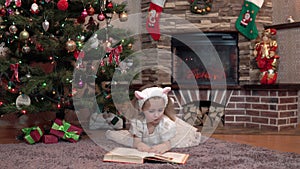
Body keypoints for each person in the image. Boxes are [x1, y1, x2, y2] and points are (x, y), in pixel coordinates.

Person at [105, 85, 201, 154]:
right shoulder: (139, 123)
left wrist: (166, 145)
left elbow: (171, 139)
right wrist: (139, 144)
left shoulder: (166, 123)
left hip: (173, 132)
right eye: (151, 111)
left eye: (160, 110)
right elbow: (136, 140)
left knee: (184, 135)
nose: (156, 115)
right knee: (124, 138)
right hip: (146, 135)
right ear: (142, 110)